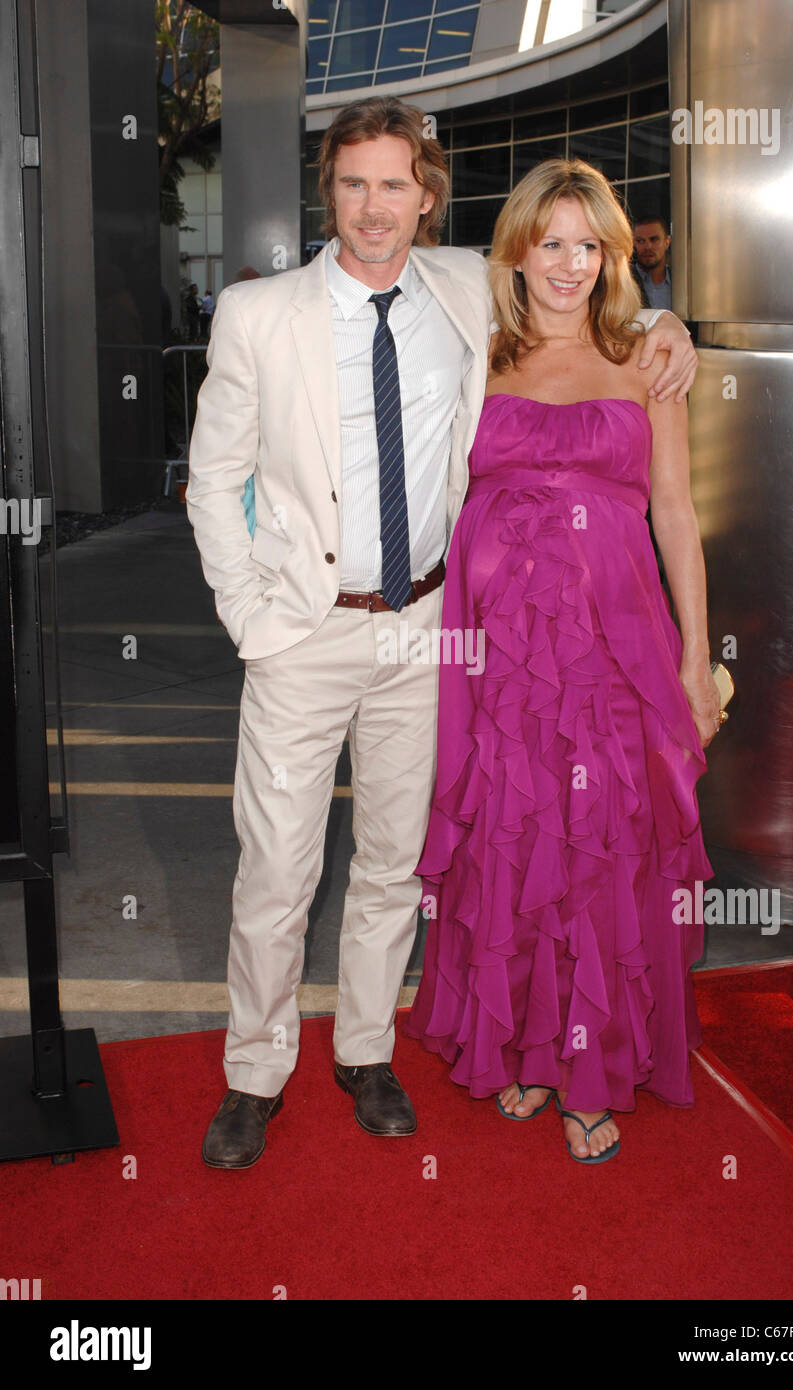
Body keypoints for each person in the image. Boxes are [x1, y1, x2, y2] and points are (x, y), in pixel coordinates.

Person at [184, 97, 698, 1171]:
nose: (374, 209)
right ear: (328, 190)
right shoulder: (258, 314)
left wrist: (666, 324)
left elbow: (577, 276)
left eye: (394, 185)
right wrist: (250, 619)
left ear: (427, 197)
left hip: (430, 628)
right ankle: (254, 1071)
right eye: (353, 184)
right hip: (301, 630)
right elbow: (213, 479)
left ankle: (366, 1053)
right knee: (276, 866)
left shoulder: (466, 289)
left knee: (390, 861)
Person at [405, 159, 719, 1164]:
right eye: (551, 242)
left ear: (614, 257)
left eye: (591, 245)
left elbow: (674, 513)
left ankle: (589, 1069)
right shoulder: (473, 352)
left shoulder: (644, 360)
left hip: (615, 657)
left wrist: (693, 664)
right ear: (518, 248)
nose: (570, 264)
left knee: (602, 847)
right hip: (498, 665)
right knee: (512, 844)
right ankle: (528, 1050)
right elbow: (387, 256)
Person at [632, 214, 672, 310]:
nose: (647, 246)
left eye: (654, 239)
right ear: (633, 243)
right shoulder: (624, 281)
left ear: (667, 242)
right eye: (640, 241)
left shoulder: (680, 283)